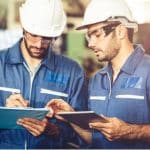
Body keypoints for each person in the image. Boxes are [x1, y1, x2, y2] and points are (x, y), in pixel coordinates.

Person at [46, 0, 150, 148]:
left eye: (97, 34)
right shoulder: (97, 80)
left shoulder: (147, 71)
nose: (90, 43)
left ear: (120, 31)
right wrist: (70, 117)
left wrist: (130, 131)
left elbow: (127, 133)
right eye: (89, 36)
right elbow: (95, 140)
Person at [0, 0, 87, 149]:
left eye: (47, 38)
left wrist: (54, 131)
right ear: (23, 27)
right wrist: (4, 115)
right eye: (34, 35)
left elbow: (85, 135)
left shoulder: (73, 72)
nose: (39, 44)